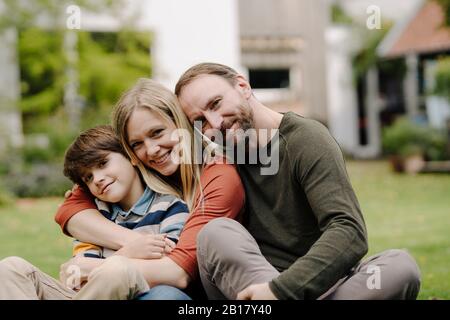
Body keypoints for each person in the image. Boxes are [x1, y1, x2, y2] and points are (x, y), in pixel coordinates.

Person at [174, 62, 422, 300]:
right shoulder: (216, 163)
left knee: (399, 267)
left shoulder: (306, 139)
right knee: (215, 234)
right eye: (201, 121)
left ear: (242, 86)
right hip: (250, 285)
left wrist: (280, 291)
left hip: (316, 286)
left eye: (216, 103)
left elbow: (348, 231)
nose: (215, 123)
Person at [54, 79, 245, 299]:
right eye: (136, 144)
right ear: (129, 153)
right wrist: (133, 243)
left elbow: (177, 271)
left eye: (157, 133)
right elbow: (68, 210)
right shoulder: (131, 172)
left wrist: (95, 268)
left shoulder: (218, 175)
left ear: (180, 122)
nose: (152, 150)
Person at [0, 125, 191, 300]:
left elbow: (167, 266)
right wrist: (128, 252)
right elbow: (75, 278)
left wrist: (116, 261)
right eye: (88, 177)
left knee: (119, 270)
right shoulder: (96, 215)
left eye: (102, 163)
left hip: (137, 295)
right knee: (11, 268)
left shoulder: (171, 207)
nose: (98, 179)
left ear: (130, 156)